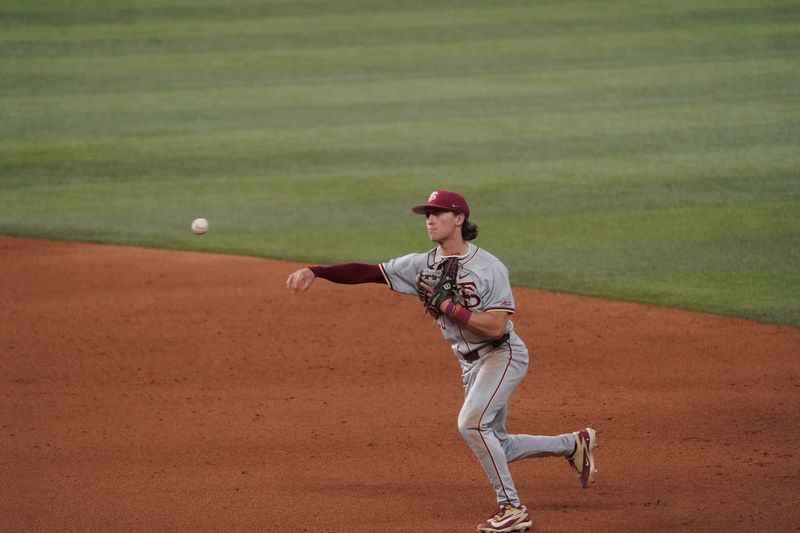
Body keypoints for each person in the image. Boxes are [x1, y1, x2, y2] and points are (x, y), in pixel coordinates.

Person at [286, 189, 597, 533]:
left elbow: (495, 327)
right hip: (468, 363)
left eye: (437, 213)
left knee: (471, 425)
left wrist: (450, 307)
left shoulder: (489, 267)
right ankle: (573, 443)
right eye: (427, 215)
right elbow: (370, 272)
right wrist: (316, 271)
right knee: (497, 443)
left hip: (502, 354)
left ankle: (512, 508)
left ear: (459, 219)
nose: (430, 220)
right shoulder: (422, 265)